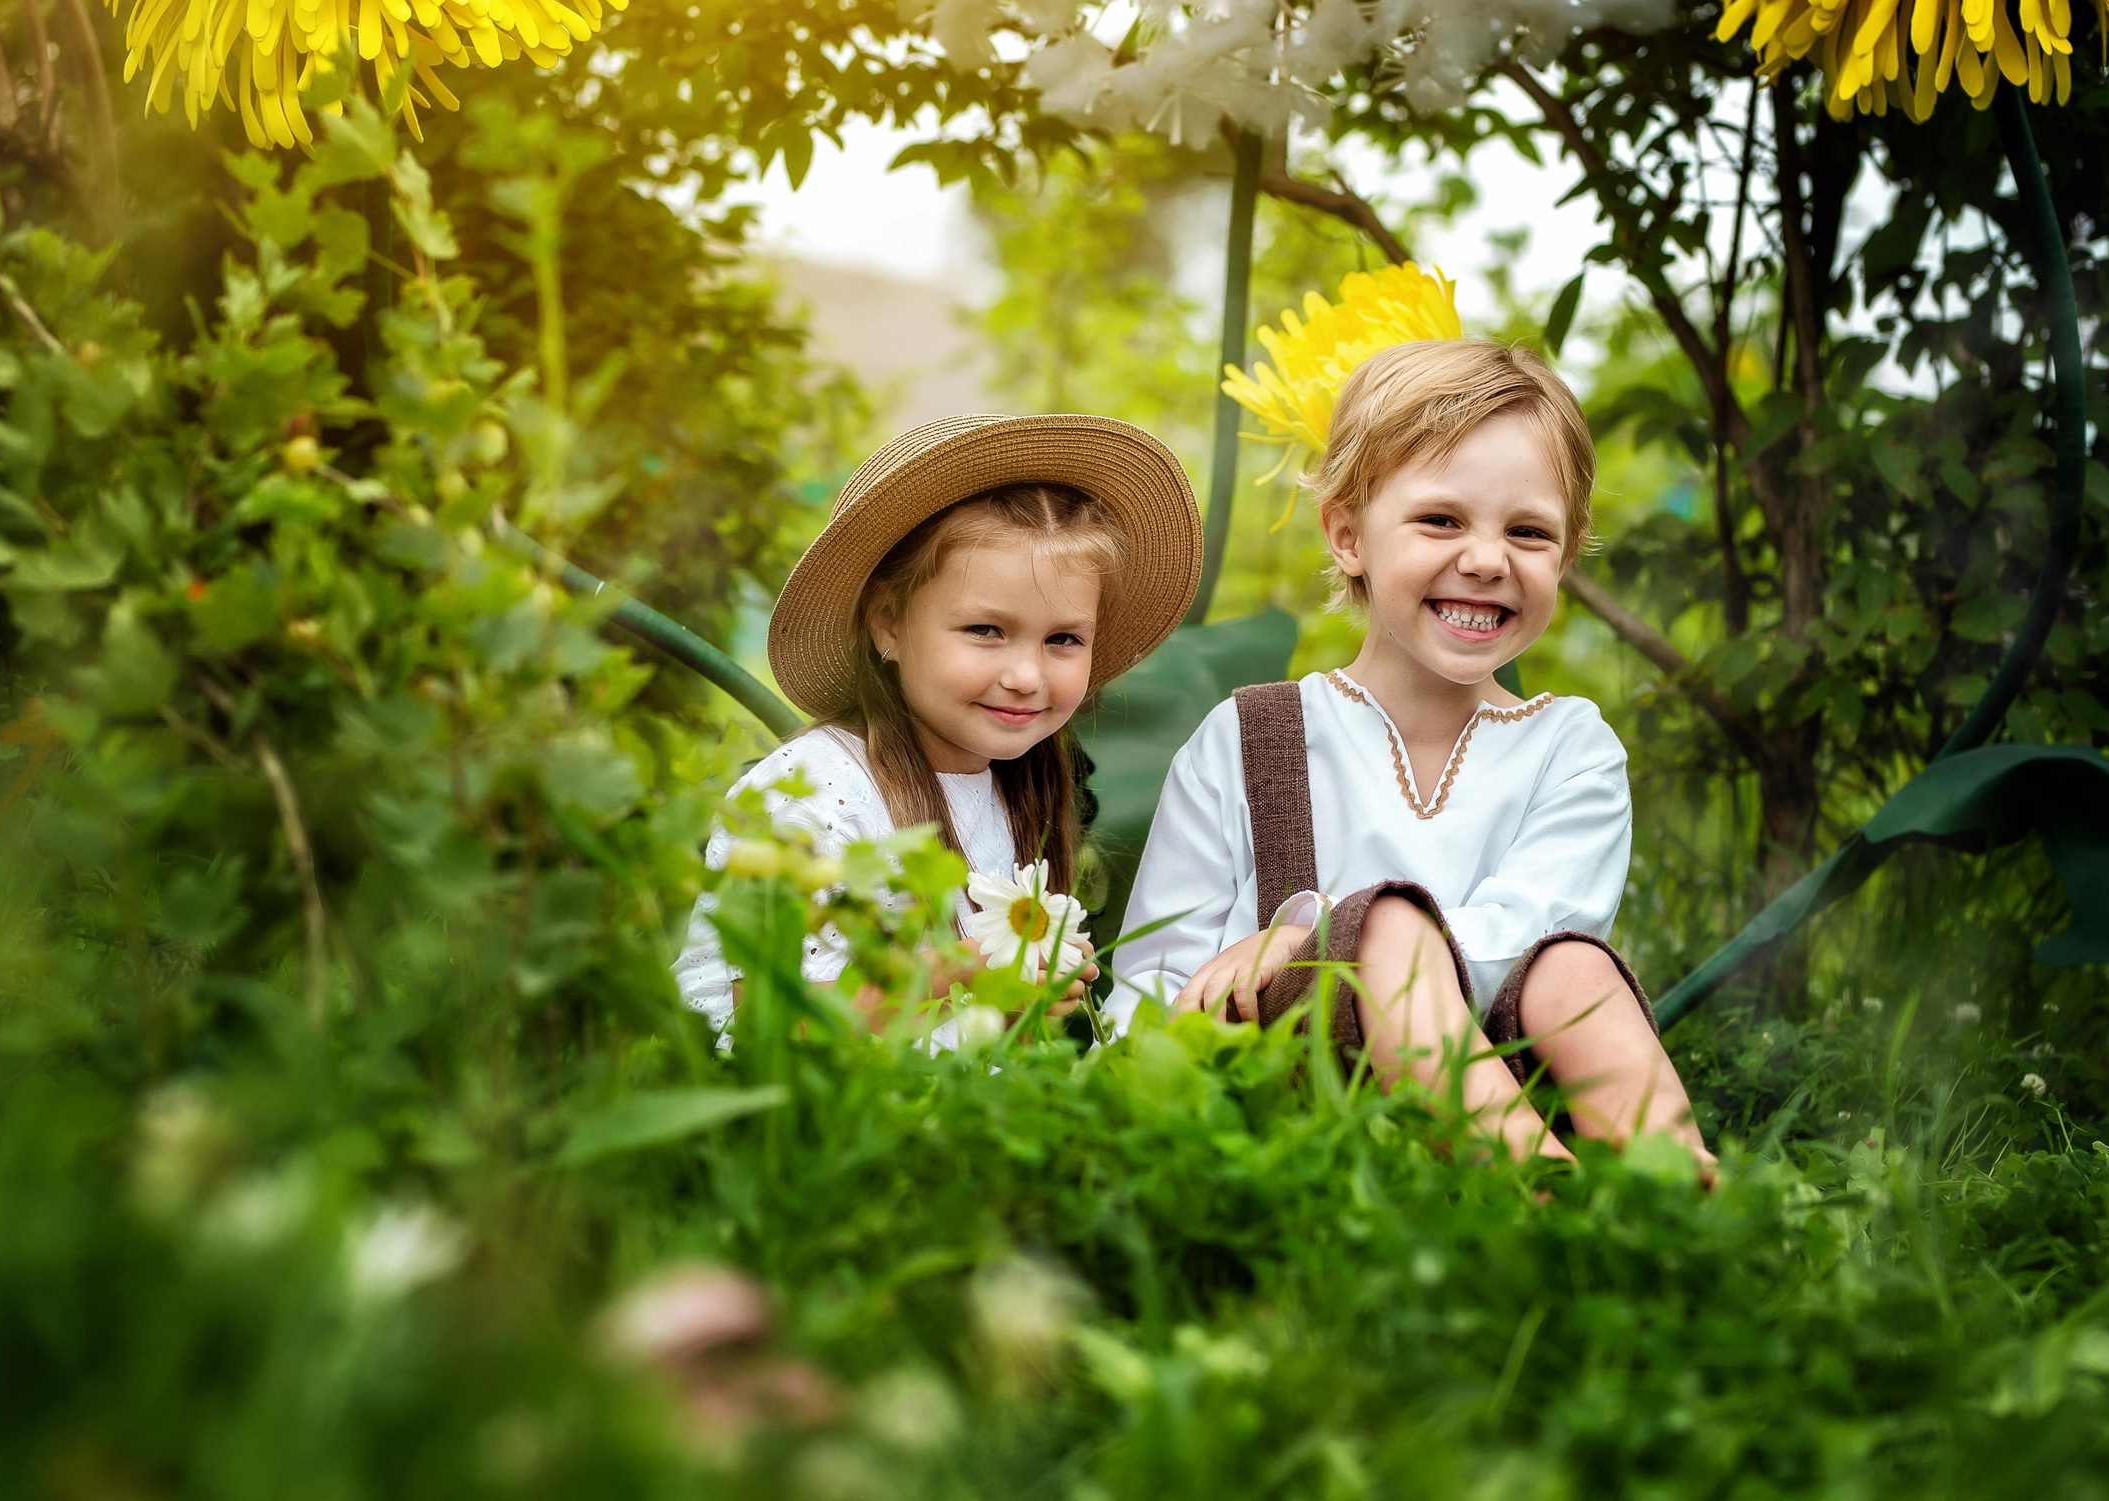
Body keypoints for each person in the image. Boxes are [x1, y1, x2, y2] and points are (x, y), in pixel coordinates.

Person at [1111, 340, 1714, 1172]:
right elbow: (1153, 983)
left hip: (1508, 1074)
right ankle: (1540, 1200)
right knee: (1387, 928)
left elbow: (1522, 937)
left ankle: (1682, 1195)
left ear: (1566, 556)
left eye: (1529, 531)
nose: (1487, 559)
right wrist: (1325, 952)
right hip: (1287, 1102)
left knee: (1572, 963)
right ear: (1348, 535)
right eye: (1441, 520)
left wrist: (1312, 926)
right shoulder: (1248, 737)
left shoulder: (1570, 748)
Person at [675, 414, 1203, 1035]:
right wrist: (962, 973)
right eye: (986, 630)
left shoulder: (1017, 790)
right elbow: (768, 1024)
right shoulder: (815, 791)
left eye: (1063, 639)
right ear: (887, 622)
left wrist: (1021, 997)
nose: (1026, 676)